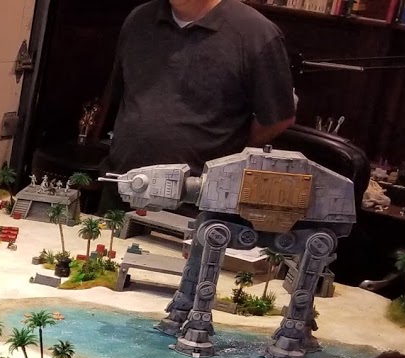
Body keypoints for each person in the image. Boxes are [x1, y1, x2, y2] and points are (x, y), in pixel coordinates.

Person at [94, 0, 297, 211]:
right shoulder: (138, 19)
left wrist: (227, 150)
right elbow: (122, 96)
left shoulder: (256, 33)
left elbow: (278, 118)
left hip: (196, 205)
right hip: (121, 189)